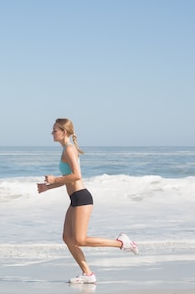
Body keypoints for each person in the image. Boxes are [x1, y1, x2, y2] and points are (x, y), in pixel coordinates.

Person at [37, 118, 138, 284]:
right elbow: (69, 180)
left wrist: (54, 179)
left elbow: (77, 176)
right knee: (67, 238)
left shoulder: (69, 150)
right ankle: (88, 274)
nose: (52, 133)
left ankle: (122, 243)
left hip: (82, 198)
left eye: (55, 130)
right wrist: (49, 187)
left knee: (80, 240)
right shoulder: (65, 150)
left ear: (64, 132)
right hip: (75, 198)